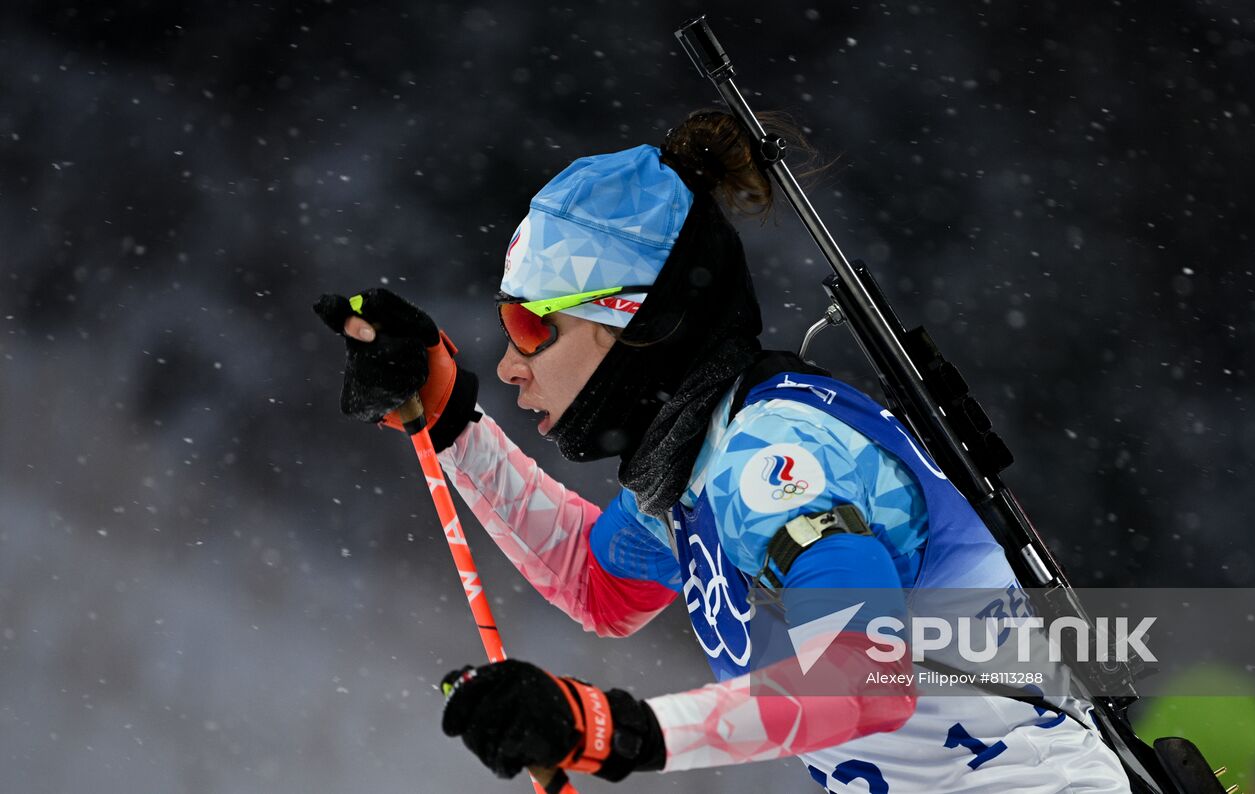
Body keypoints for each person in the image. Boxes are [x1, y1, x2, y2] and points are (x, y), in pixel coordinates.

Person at [315, 110, 1132, 792]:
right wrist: (452, 420)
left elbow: (861, 681)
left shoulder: (769, 462)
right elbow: (599, 587)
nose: (510, 363)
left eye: (535, 325)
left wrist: (614, 730)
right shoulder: (699, 468)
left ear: (639, 322)